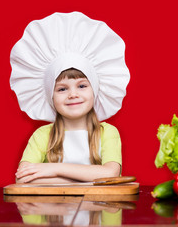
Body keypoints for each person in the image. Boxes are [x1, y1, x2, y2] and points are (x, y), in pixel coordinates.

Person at [10, 12, 130, 183]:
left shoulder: (107, 133)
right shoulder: (43, 135)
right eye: (62, 89)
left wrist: (52, 169)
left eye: (82, 86)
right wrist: (89, 178)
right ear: (50, 97)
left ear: (95, 90)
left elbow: (110, 174)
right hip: (51, 209)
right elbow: (23, 179)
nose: (73, 94)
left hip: (99, 209)